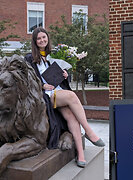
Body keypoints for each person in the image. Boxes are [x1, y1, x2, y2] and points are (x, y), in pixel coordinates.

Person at [24, 27, 105, 168]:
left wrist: (65, 75)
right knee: (72, 96)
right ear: (35, 41)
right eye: (39, 38)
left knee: (71, 117)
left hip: (59, 90)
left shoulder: (54, 54)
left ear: (47, 38)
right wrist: (42, 86)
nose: (42, 40)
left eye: (44, 37)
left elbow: (60, 73)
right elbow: (28, 80)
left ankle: (80, 154)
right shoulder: (30, 59)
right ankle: (89, 131)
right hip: (45, 95)